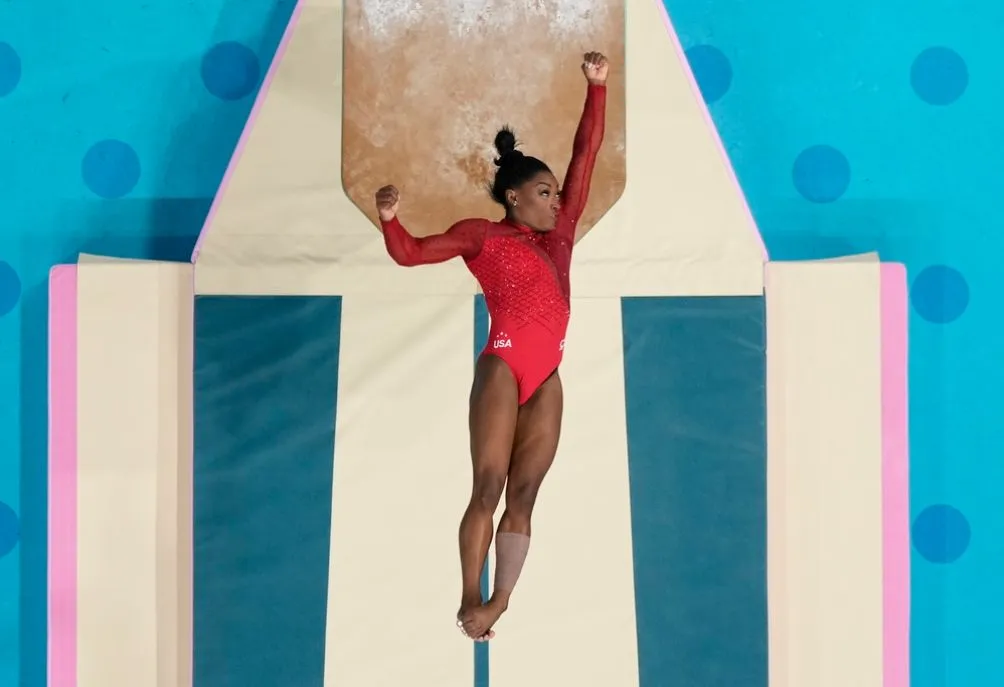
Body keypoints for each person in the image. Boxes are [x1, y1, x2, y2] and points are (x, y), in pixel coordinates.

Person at [374, 51, 609, 642]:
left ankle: (499, 601)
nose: (557, 200)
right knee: (488, 486)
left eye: (556, 193)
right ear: (513, 198)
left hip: (547, 375)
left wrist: (597, 87)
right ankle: (467, 597)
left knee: (525, 495)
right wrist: (391, 220)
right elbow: (411, 254)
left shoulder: (562, 234)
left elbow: (587, 156)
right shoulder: (483, 237)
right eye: (544, 192)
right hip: (503, 365)